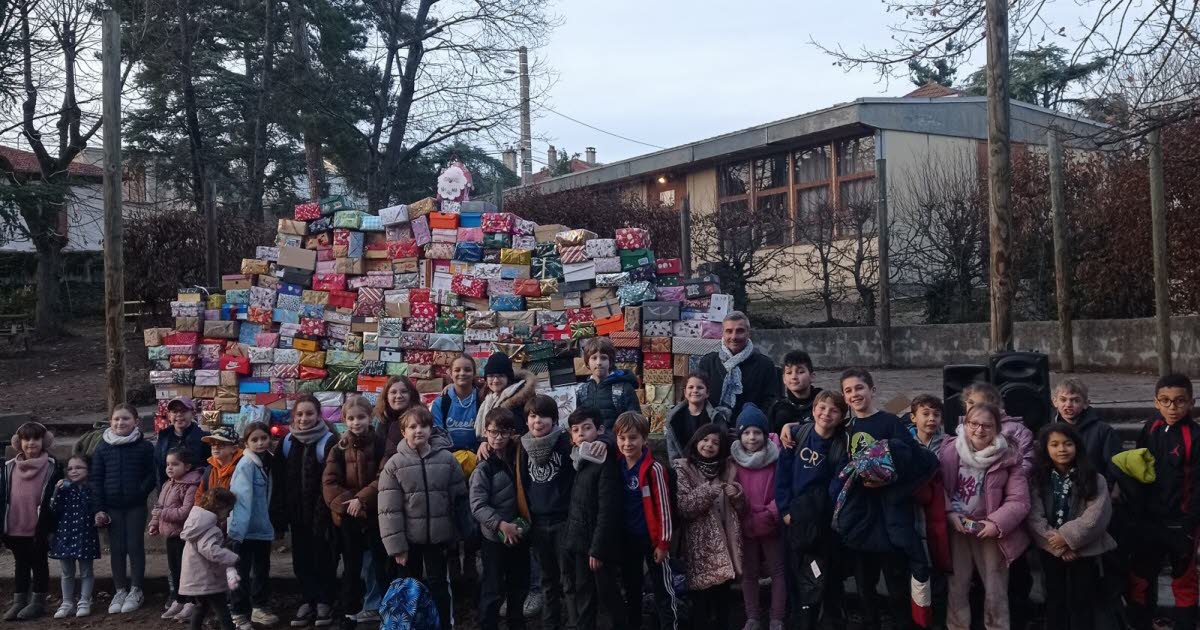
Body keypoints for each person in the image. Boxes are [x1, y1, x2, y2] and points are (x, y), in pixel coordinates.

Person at [939, 403, 1030, 630]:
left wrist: (995, 523)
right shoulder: (950, 450)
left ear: (997, 428)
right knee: (957, 586)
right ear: (965, 424)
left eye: (987, 426)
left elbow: (1019, 500)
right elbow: (938, 486)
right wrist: (949, 513)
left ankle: (997, 626)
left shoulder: (1009, 456)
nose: (979, 430)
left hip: (990, 532)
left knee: (995, 588)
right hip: (957, 528)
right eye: (974, 424)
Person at [378, 406, 469, 630]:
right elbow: (389, 510)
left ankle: (443, 625)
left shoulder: (447, 460)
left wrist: (459, 534)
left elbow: (459, 499)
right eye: (412, 426)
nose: (418, 430)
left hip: (438, 538)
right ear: (403, 431)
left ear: (431, 429)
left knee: (439, 585)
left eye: (424, 426)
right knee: (410, 588)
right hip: (409, 541)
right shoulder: (394, 465)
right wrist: (397, 546)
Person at [1026, 423, 1119, 629]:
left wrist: (1069, 539)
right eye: (1055, 444)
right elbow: (1034, 516)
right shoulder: (1038, 480)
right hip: (1050, 551)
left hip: (1084, 551)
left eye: (1068, 443)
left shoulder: (1094, 478)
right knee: (1054, 599)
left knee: (1082, 601)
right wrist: (1057, 545)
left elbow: (1096, 516)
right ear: (1046, 448)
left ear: (1077, 446)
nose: (1062, 449)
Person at [1127, 373, 1200, 630]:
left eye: (1179, 401)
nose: (1172, 407)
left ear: (1191, 402)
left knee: (1184, 580)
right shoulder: (1150, 427)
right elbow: (1138, 467)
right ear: (1156, 402)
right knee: (1140, 578)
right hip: (1149, 520)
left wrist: (1190, 523)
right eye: (1165, 401)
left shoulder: (1195, 436)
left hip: (1180, 523)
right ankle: (1142, 623)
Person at [775, 391, 849, 630]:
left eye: (834, 410)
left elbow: (837, 486)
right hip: (795, 520)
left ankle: (828, 619)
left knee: (825, 574)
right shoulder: (796, 435)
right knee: (795, 572)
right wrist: (785, 510)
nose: (826, 414)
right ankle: (800, 619)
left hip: (823, 523)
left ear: (841, 417)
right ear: (814, 409)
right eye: (822, 407)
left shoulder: (840, 445)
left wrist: (823, 518)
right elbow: (782, 476)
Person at [322, 395, 388, 629]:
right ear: (344, 420)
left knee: (380, 564)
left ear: (370, 418)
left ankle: (381, 608)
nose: (356, 422)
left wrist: (363, 499)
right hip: (349, 517)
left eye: (361, 417)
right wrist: (349, 504)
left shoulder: (380, 443)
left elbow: (385, 476)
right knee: (352, 565)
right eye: (351, 418)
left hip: (376, 515)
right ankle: (349, 610)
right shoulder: (339, 448)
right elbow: (330, 483)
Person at [270, 395, 337, 628]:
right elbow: (279, 481)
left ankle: (325, 601)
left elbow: (332, 480)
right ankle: (308, 599)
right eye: (299, 414)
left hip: (322, 514)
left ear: (319, 416)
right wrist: (280, 514)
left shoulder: (329, 441)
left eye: (309, 414)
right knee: (301, 560)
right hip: (297, 514)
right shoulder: (287, 442)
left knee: (324, 558)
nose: (304, 418)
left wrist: (325, 511)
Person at [514, 394, 577, 630]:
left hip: (563, 521)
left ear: (554, 419)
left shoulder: (566, 443)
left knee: (569, 580)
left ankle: (574, 624)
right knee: (547, 580)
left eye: (544, 416)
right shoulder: (521, 446)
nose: (538, 421)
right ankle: (550, 624)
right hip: (538, 523)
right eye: (532, 416)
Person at [613, 412, 680, 630]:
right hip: (627, 539)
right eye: (622, 438)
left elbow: (665, 509)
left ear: (644, 439)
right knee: (631, 589)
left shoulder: (654, 469)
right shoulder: (616, 466)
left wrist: (663, 543)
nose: (627, 443)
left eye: (633, 438)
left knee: (663, 589)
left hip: (652, 540)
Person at [675, 423, 743, 630]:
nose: (709, 445)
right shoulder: (683, 468)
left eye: (715, 442)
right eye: (705, 440)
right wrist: (709, 490)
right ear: (696, 441)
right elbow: (684, 507)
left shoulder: (728, 469)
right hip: (700, 546)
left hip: (726, 545)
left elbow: (740, 509)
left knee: (723, 602)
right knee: (701, 604)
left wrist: (738, 495)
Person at [91, 403, 156, 614]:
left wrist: (141, 491)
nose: (120, 422)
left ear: (136, 422)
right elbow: (97, 479)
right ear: (110, 421)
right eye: (116, 419)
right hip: (111, 507)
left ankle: (136, 589)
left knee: (134, 546)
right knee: (117, 549)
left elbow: (152, 474)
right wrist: (99, 508)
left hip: (135, 505)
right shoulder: (102, 447)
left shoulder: (144, 447)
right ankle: (120, 590)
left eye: (126, 418)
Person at [563, 407, 624, 630]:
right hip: (580, 543)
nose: (581, 434)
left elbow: (607, 510)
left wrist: (597, 549)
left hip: (598, 546)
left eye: (587, 428)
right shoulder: (578, 461)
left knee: (607, 596)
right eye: (576, 430)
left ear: (599, 430)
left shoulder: (603, 463)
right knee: (584, 595)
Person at [470, 408, 530, 630]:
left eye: (503, 433)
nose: (497, 438)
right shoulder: (484, 467)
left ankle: (517, 623)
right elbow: (477, 505)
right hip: (494, 537)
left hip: (520, 531)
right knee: (493, 588)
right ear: (485, 432)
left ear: (511, 433)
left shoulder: (518, 454)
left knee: (519, 585)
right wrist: (500, 524)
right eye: (493, 432)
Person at [729, 404, 785, 630]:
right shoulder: (733, 460)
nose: (752, 438)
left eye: (757, 432)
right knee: (749, 573)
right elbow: (731, 489)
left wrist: (771, 512)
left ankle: (777, 617)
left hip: (772, 523)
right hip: (745, 524)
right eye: (746, 433)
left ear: (765, 433)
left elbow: (784, 489)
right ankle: (752, 615)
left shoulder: (777, 457)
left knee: (778, 571)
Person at [430, 355, 484, 585]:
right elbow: (437, 432)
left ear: (474, 373)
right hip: (448, 462)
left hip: (478, 460)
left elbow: (486, 427)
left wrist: (477, 451)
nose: (462, 374)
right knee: (449, 514)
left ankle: (470, 560)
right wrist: (453, 456)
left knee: (472, 514)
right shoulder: (441, 402)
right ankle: (453, 563)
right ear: (450, 373)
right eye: (458, 370)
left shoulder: (482, 398)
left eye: (467, 370)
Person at [1, 422, 63, 620]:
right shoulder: (8, 468)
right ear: (19, 442)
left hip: (38, 529)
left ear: (43, 441)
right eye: (26, 439)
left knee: (39, 564)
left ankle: (38, 601)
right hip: (15, 526)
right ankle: (19, 600)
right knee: (20, 565)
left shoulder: (53, 467)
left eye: (35, 439)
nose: (31, 443)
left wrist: (50, 526)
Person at [228, 421, 277, 630]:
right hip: (245, 531)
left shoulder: (269, 461)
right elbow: (241, 499)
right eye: (254, 440)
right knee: (242, 571)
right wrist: (236, 533)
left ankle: (259, 607)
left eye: (263, 438)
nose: (260, 443)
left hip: (262, 529)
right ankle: (238, 612)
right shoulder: (246, 465)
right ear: (246, 443)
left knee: (261, 569)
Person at [148, 448, 203, 622]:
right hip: (170, 536)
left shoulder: (191, 486)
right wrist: (154, 524)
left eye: (175, 464)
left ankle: (190, 601)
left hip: (183, 536)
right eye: (167, 464)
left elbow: (185, 512)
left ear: (187, 466)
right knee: (175, 569)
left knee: (187, 570)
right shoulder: (167, 484)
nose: (170, 468)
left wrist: (162, 513)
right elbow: (158, 506)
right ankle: (179, 599)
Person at [179, 487, 242, 630]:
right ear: (220, 507)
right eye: (228, 511)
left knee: (201, 607)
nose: (228, 515)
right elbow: (210, 550)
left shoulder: (196, 523)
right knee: (222, 609)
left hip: (196, 577)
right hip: (208, 578)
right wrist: (232, 557)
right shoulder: (210, 528)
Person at [698, 311, 779, 421]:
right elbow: (699, 399)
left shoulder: (765, 365)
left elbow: (769, 402)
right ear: (723, 333)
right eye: (729, 331)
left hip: (751, 432)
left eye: (740, 331)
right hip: (712, 431)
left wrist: (746, 427)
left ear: (748, 333)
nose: (734, 336)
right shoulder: (707, 363)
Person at [49, 453, 100, 619]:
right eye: (70, 468)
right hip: (65, 535)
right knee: (66, 572)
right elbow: (54, 508)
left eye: (79, 467)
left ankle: (85, 600)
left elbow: (91, 507)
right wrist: (58, 489)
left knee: (86, 570)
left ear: (88, 470)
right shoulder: (63, 488)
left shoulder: (91, 488)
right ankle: (67, 602)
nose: (74, 471)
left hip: (85, 534)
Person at [1051, 378, 1121, 483]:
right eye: (1063, 399)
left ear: (1086, 404)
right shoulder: (1049, 430)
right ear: (1055, 401)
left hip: (1093, 488)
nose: (1068, 404)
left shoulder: (1103, 430)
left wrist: (1107, 488)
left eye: (1075, 400)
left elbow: (1114, 465)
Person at [574, 338, 641, 431]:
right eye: (594, 358)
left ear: (611, 362)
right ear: (587, 362)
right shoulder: (582, 391)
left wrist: (607, 441)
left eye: (603, 358)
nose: (598, 363)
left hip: (617, 443)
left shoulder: (624, 389)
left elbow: (635, 424)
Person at [474, 353, 538, 448]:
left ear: (508, 378)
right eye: (491, 376)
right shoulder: (487, 397)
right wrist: (485, 440)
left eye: (500, 375)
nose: (495, 380)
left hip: (517, 451)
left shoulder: (521, 398)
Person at [665, 373, 729, 464]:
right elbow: (672, 448)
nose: (695, 390)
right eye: (691, 387)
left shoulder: (716, 418)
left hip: (710, 468)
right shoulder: (674, 417)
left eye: (700, 387)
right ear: (685, 393)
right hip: (683, 468)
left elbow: (722, 447)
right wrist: (679, 468)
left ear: (707, 393)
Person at [154, 397, 211, 487]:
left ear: (193, 413)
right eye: (175, 411)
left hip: (194, 491)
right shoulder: (163, 437)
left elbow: (208, 468)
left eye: (183, 411)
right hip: (168, 491)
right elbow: (158, 466)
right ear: (169, 415)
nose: (179, 415)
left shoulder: (203, 438)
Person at [767, 350, 822, 436]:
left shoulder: (823, 403)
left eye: (800, 372)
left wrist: (796, 426)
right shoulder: (778, 408)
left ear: (812, 376)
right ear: (784, 379)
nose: (794, 377)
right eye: (789, 373)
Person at [375, 375, 420, 459]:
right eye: (393, 392)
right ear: (386, 396)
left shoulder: (421, 419)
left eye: (404, 391)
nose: (398, 396)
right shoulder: (379, 420)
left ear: (411, 395)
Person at [195, 426, 243, 503]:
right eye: (213, 444)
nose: (215, 447)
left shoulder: (241, 469)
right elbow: (199, 495)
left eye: (221, 444)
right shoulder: (209, 470)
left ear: (234, 449)